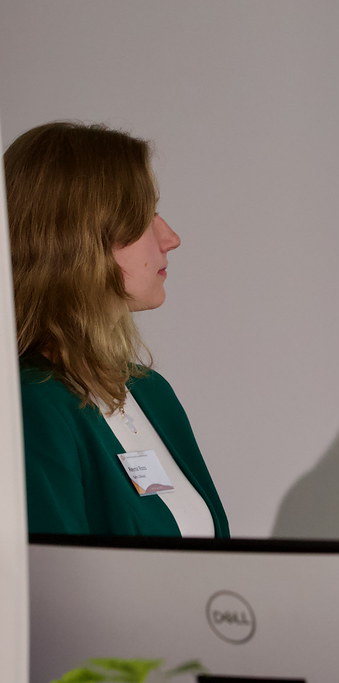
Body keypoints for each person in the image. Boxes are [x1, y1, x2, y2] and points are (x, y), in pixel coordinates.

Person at [7, 121, 229, 538]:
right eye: (144, 217)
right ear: (77, 238)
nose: (171, 238)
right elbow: (52, 573)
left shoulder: (150, 391)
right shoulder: (30, 405)